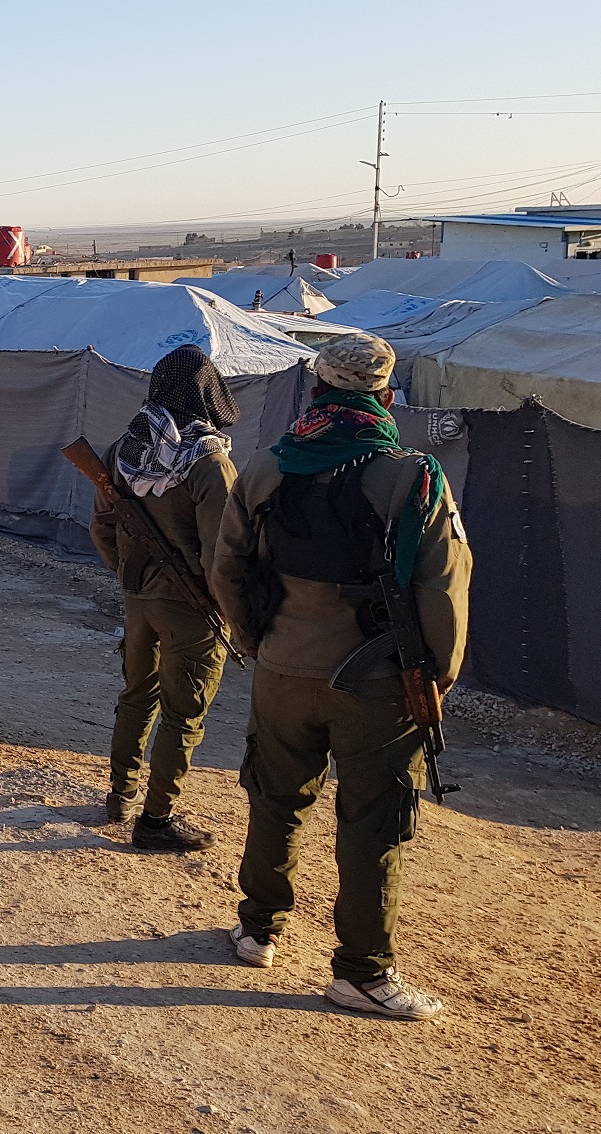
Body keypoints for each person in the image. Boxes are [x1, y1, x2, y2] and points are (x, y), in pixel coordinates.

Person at [210, 333, 472, 1021]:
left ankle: (257, 929)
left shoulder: (266, 468)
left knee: (274, 798)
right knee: (371, 823)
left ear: (317, 391)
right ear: (384, 397)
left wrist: (257, 639)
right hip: (377, 682)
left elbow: (227, 570)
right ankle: (361, 971)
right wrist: (437, 676)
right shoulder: (412, 475)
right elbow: (444, 587)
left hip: (282, 670)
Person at [89, 344, 239, 852]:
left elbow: (101, 529)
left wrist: (131, 577)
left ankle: (120, 794)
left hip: (139, 601)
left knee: (137, 695)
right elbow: (223, 556)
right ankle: (156, 820)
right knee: (183, 712)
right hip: (192, 609)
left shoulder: (121, 453)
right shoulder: (209, 463)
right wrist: (234, 614)